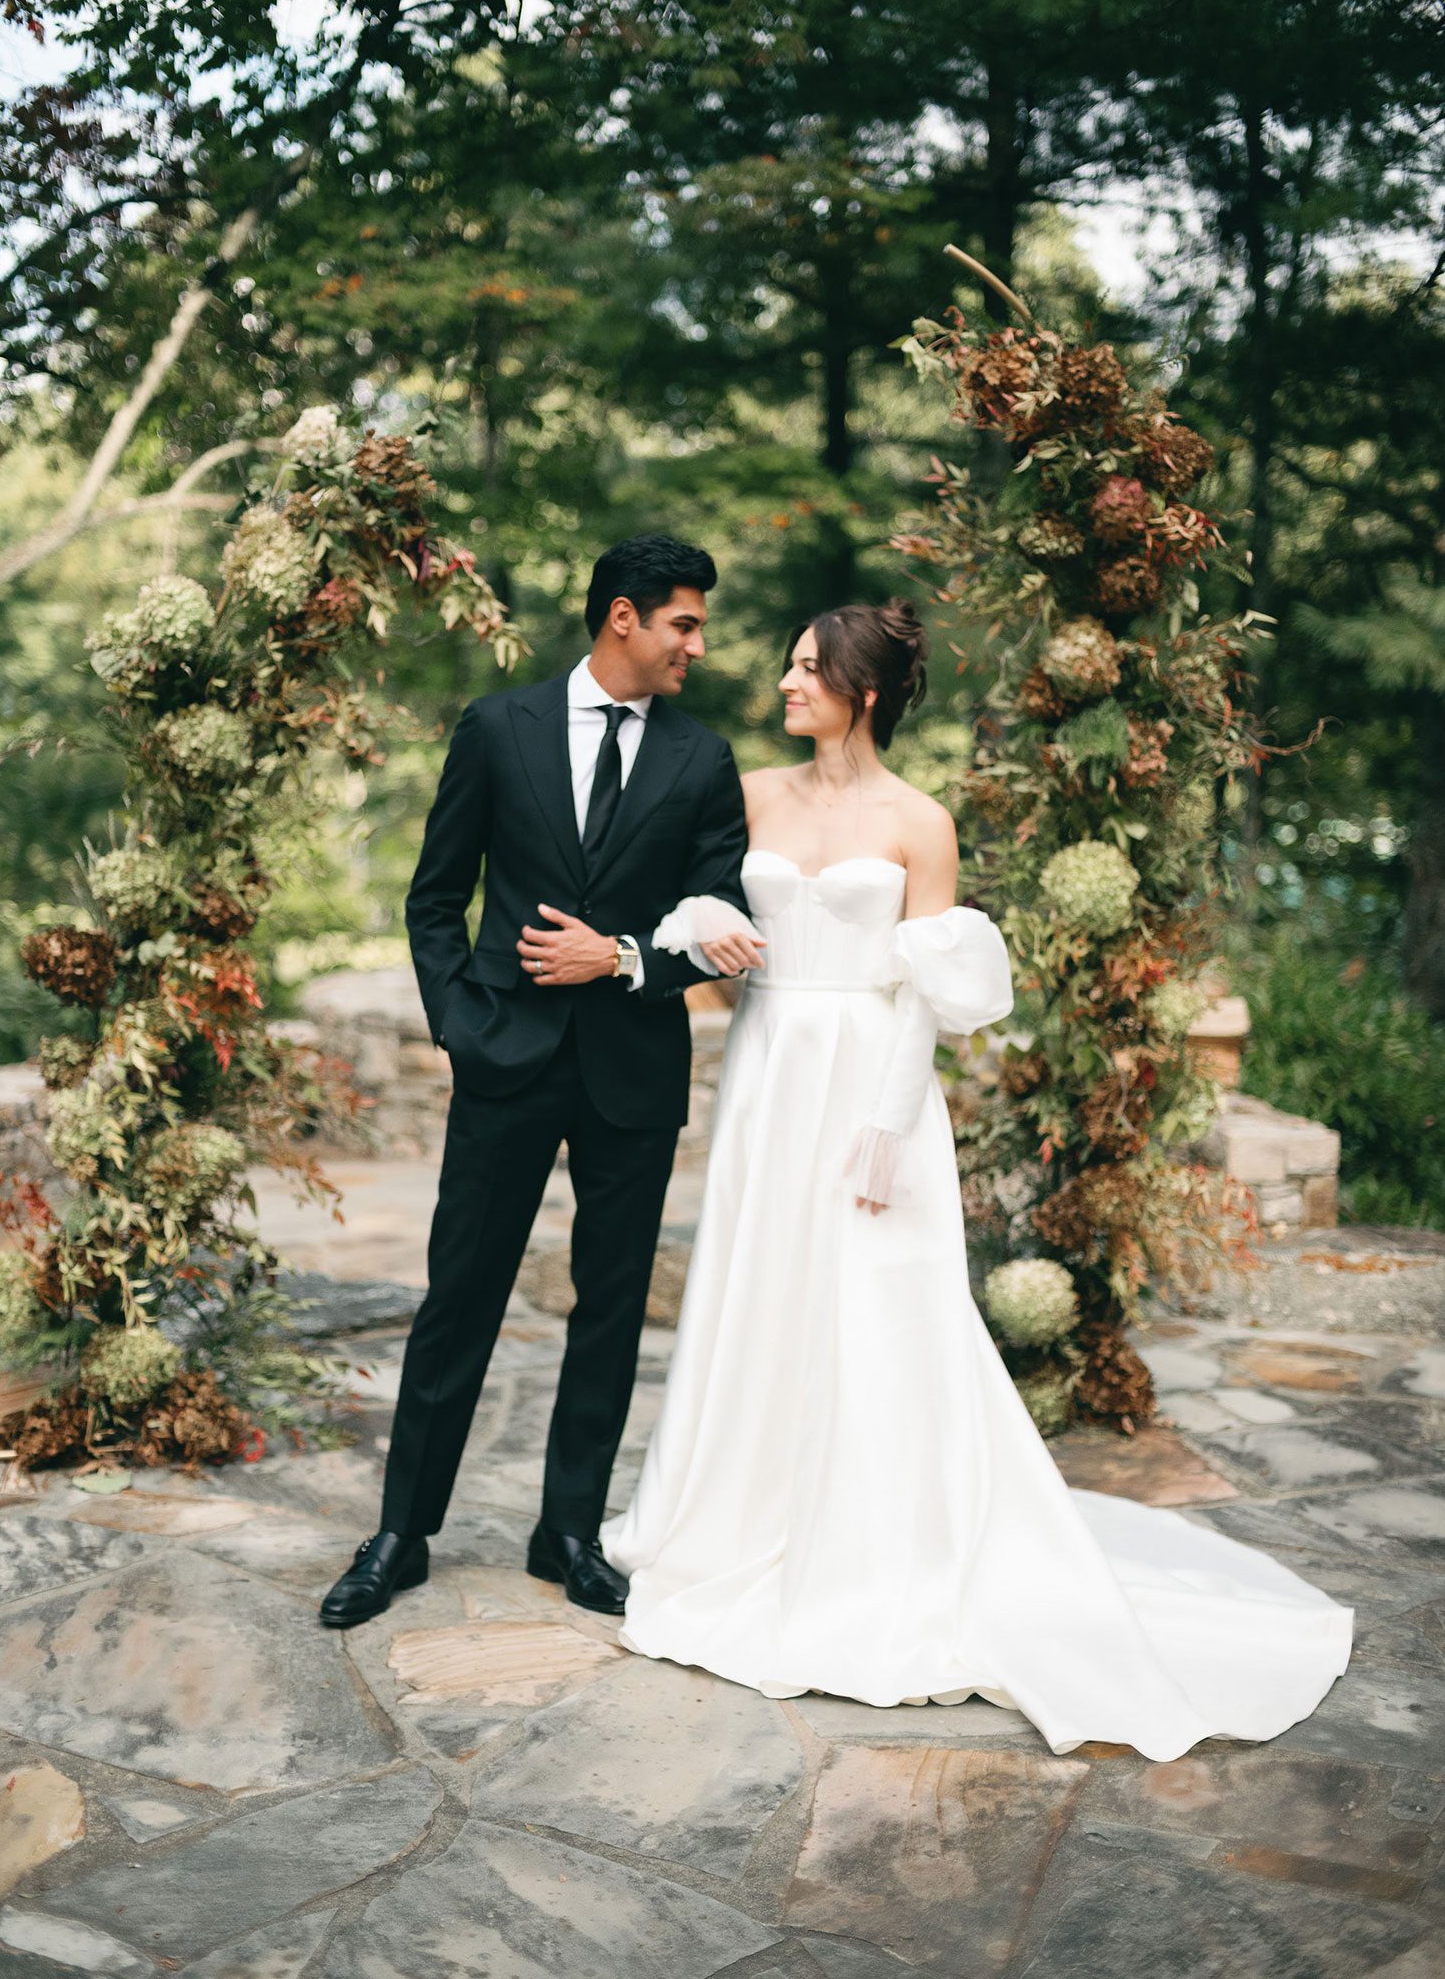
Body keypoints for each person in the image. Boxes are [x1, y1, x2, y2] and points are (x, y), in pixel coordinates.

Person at [599, 597, 1355, 1762]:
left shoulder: (920, 820)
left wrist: (888, 1122)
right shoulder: (747, 793)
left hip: (870, 1081)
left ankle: (878, 1546)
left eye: (808, 669)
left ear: (863, 691)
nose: (786, 683)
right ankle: (735, 1520)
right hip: (769, 1070)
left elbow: (928, 988)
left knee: (874, 1304)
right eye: (791, 665)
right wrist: (706, 919)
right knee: (763, 1287)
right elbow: (692, 901)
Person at [319, 534, 751, 1628]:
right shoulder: (496, 727)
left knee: (609, 1309)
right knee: (459, 1296)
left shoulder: (703, 760)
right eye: (684, 624)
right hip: (505, 1059)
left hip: (633, 1071)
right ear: (623, 617)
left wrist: (624, 958)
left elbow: (722, 921)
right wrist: (463, 1025)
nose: (697, 645)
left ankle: (567, 1533)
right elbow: (434, 899)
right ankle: (401, 1533)